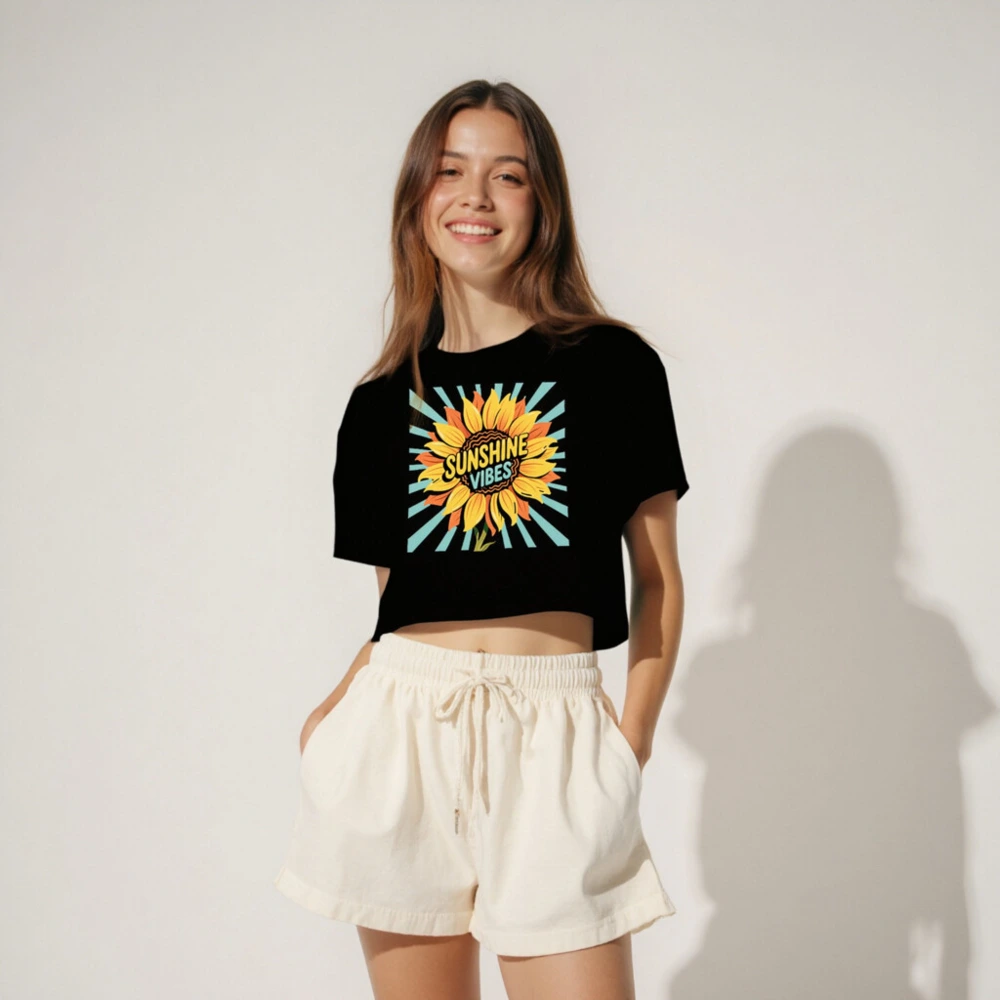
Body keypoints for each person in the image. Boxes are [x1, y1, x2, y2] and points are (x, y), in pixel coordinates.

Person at [274, 78, 690, 1000]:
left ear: (543, 205)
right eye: (451, 171)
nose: (476, 197)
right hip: (400, 732)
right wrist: (330, 717)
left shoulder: (614, 367)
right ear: (416, 199)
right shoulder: (380, 404)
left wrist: (629, 743)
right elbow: (398, 606)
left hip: (556, 735)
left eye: (509, 175)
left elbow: (658, 580)